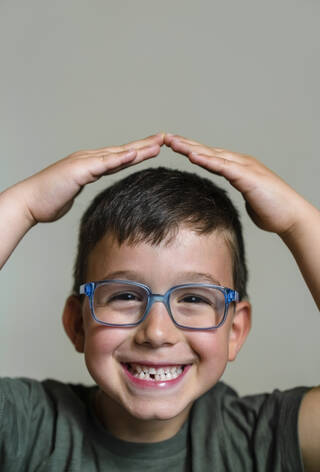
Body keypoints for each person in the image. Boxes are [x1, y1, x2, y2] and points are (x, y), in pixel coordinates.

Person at [0, 132, 319, 471]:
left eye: (194, 298)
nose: (157, 332)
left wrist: (298, 221)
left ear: (235, 330)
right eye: (124, 295)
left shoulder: (262, 439)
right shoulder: (25, 427)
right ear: (78, 323)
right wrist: (23, 205)